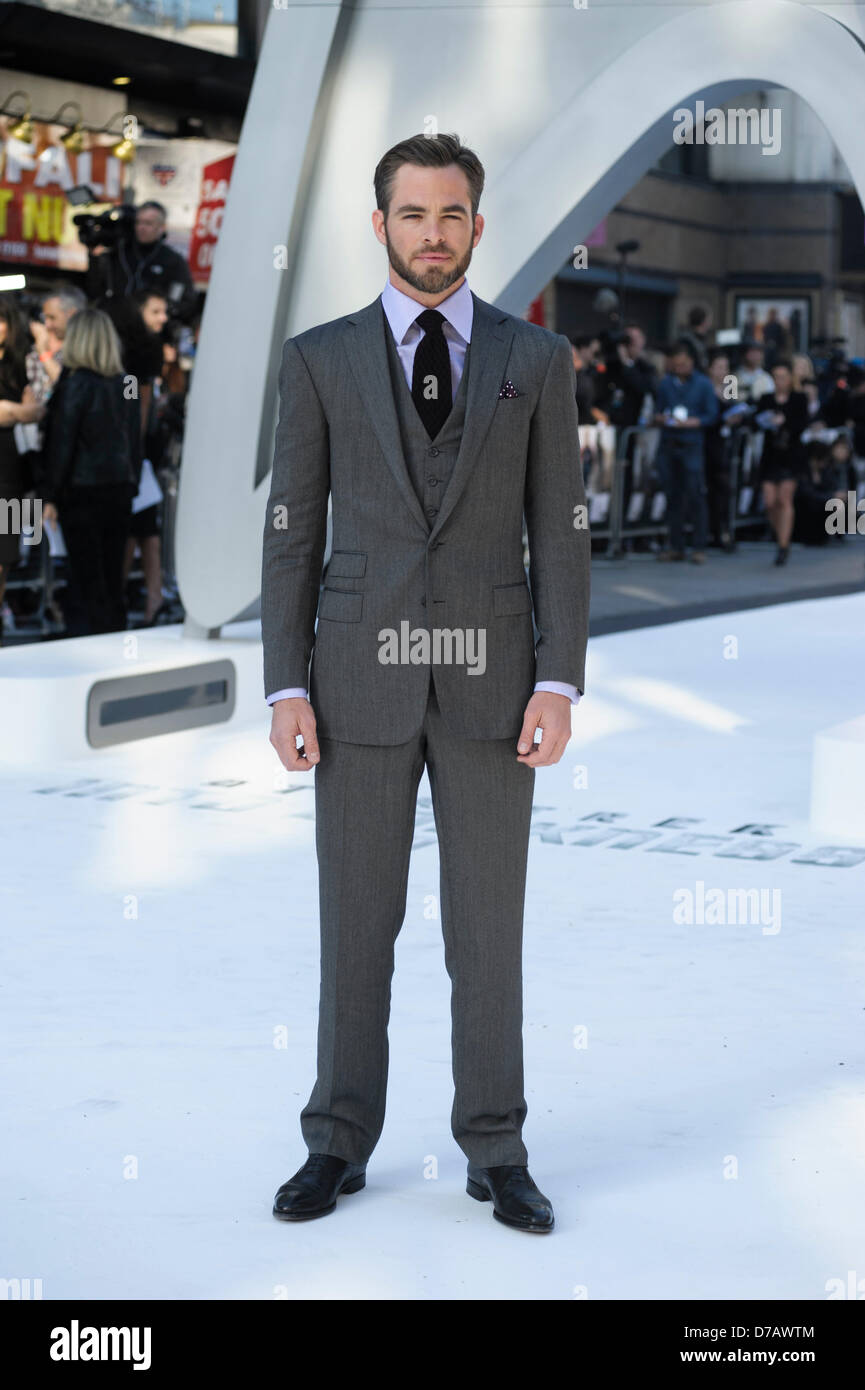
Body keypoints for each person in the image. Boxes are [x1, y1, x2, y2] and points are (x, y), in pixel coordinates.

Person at [262, 132, 590, 1233]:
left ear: (477, 227)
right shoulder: (318, 360)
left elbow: (563, 534)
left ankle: (495, 1146)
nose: (433, 234)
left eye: (451, 215)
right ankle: (336, 1140)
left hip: (496, 685)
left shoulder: (535, 361)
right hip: (353, 678)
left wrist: (560, 680)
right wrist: (283, 686)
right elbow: (290, 532)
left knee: (485, 930)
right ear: (381, 223)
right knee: (355, 922)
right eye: (413, 214)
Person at [40, 308, 141, 635]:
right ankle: (113, 638)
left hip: (81, 492)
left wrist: (50, 494)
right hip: (120, 489)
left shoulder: (75, 385)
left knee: (86, 578)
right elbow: (134, 439)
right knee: (113, 578)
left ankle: (89, 642)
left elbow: (62, 443)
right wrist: (133, 483)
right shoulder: (128, 383)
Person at [0, 302, 46, 644]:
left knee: (7, 556)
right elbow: (19, 412)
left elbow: (40, 409)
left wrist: (20, 412)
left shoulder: (21, 365)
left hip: (14, 474)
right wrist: (21, 410)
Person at [653, 341, 718, 563]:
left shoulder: (703, 384)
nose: (680, 368)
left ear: (691, 363)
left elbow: (712, 415)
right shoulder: (665, 384)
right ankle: (676, 545)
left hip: (691, 445)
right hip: (669, 444)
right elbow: (657, 411)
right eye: (676, 364)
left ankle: (699, 546)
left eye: (684, 364)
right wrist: (661, 418)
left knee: (696, 495)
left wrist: (693, 422)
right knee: (673, 497)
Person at [84, 201, 197, 324]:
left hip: (150, 330)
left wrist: (159, 314)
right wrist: (94, 257)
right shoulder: (119, 252)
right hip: (115, 322)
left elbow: (183, 301)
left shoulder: (173, 260)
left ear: (161, 227)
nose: (141, 227)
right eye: (138, 222)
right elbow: (95, 288)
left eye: (148, 223)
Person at [752, 359, 809, 565]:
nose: (779, 381)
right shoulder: (766, 399)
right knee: (769, 501)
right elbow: (755, 423)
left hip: (791, 455)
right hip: (771, 455)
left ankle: (783, 545)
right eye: (776, 377)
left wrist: (784, 422)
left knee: (784, 498)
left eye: (783, 377)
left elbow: (802, 424)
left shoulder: (799, 398)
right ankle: (781, 535)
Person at [678, 305, 712, 371]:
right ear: (704, 322)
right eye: (708, 320)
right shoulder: (687, 341)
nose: (710, 323)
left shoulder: (700, 339)